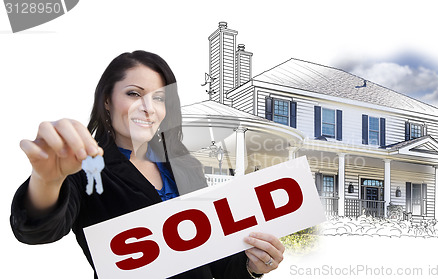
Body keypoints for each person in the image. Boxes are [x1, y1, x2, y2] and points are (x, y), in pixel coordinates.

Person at [11, 50, 284, 278]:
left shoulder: (186, 167)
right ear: (107, 100)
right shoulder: (83, 168)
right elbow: (36, 231)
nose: (148, 107)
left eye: (159, 98)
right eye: (133, 93)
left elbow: (216, 262)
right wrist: (47, 179)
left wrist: (252, 266)